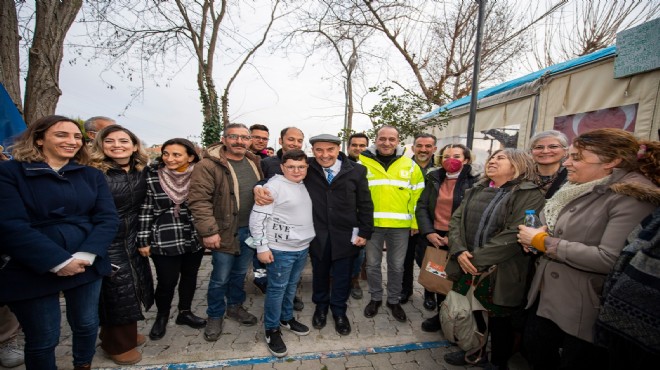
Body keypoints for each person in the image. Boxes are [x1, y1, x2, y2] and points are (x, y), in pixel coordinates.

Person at [518, 129, 659, 370]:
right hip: (548, 295)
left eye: (577, 157)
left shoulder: (633, 197)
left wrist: (543, 242)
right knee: (535, 351)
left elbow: (609, 258)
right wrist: (536, 237)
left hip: (586, 304)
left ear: (611, 161)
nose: (568, 163)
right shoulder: (579, 187)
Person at [0, 115, 119, 370]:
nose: (72, 141)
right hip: (32, 265)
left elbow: (107, 218)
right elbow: (10, 224)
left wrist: (87, 255)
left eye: (77, 136)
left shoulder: (90, 175)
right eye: (62, 135)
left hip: (86, 263)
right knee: (44, 336)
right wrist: (58, 261)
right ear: (39, 139)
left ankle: (83, 364)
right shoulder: (10, 173)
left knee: (87, 324)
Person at [443, 148, 545, 369]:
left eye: (501, 158)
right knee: (471, 312)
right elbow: (455, 222)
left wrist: (475, 260)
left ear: (518, 165)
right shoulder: (476, 189)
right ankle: (474, 352)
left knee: (500, 321)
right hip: (467, 262)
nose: (492, 161)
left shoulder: (529, 194)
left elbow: (513, 234)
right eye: (492, 157)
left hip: (501, 268)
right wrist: (459, 251)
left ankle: (499, 361)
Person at [188, 123, 263, 342]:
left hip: (250, 229)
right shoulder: (208, 165)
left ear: (249, 140)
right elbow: (199, 200)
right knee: (220, 277)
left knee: (240, 274)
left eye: (244, 137)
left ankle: (234, 307)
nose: (240, 141)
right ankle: (214, 315)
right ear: (223, 139)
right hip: (223, 231)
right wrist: (209, 231)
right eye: (234, 137)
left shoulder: (253, 161)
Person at [90, 125, 154, 365]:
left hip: (133, 236)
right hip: (107, 237)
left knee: (134, 285)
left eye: (123, 141)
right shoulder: (95, 172)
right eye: (110, 141)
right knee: (116, 290)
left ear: (134, 145)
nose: (117, 145)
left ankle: (123, 334)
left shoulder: (141, 170)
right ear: (101, 145)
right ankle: (115, 345)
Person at [137, 138, 206, 341]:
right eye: (166, 153)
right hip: (164, 236)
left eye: (177, 154)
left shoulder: (199, 174)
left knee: (190, 276)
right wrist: (143, 240)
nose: (170, 159)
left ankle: (185, 312)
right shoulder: (151, 175)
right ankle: (162, 316)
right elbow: (145, 209)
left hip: (193, 235)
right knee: (166, 281)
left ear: (190, 156)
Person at [249, 149, 315, 357]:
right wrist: (262, 247)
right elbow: (256, 219)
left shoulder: (303, 184)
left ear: (307, 168)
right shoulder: (273, 187)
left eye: (301, 166)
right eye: (291, 167)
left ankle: (286, 318)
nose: (296, 170)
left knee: (291, 286)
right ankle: (271, 330)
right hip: (280, 250)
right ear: (282, 168)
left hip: (301, 248)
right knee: (276, 290)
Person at [359, 125, 425, 322]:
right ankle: (376, 298)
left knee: (397, 266)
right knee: (372, 265)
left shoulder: (411, 166)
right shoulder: (362, 163)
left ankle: (394, 301)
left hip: (400, 227)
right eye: (382, 139)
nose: (386, 143)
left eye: (391, 139)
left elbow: (418, 197)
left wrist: (415, 222)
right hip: (372, 226)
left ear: (398, 141)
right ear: (376, 140)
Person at [415, 143, 478, 332]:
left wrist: (454, 238)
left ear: (466, 159)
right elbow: (422, 206)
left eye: (457, 156)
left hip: (458, 237)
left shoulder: (474, 182)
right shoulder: (434, 178)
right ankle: (442, 315)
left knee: (455, 278)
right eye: (447, 156)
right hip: (434, 235)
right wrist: (429, 232)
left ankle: (456, 317)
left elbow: (472, 214)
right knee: (439, 276)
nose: (451, 160)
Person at [595, 207, 660, 369]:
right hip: (621, 322)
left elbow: (608, 257)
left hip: (647, 331)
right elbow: (628, 251)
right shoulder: (654, 216)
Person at [257, 126, 306, 310]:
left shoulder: (305, 162)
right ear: (280, 140)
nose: (295, 143)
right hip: (275, 232)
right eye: (291, 139)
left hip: (299, 232)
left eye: (299, 140)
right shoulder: (268, 163)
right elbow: (261, 182)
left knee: (293, 276)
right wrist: (257, 188)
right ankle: (275, 314)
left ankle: (288, 300)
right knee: (278, 277)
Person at [401, 133, 438, 309]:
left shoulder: (440, 171)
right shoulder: (404, 166)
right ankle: (406, 290)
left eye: (428, 146)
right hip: (407, 222)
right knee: (405, 259)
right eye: (420, 145)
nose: (423, 149)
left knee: (428, 260)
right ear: (413, 147)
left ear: (434, 149)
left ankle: (429, 293)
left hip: (430, 224)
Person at [346, 132, 370, 300]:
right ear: (348, 147)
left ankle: (354, 280)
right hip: (344, 217)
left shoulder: (372, 166)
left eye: (362, 145)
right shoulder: (341, 164)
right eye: (355, 145)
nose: (358, 148)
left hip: (362, 216)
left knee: (358, 254)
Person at [529, 130, 569, 198]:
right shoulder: (520, 177)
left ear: (565, 151)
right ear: (531, 152)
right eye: (539, 147)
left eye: (553, 146)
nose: (545, 151)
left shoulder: (573, 178)